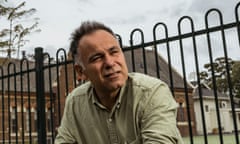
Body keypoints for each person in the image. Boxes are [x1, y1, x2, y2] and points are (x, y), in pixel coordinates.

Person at [54, 21, 184, 144]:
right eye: (97, 58)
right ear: (81, 72)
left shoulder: (152, 93)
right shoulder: (75, 102)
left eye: (114, 52)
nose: (110, 63)